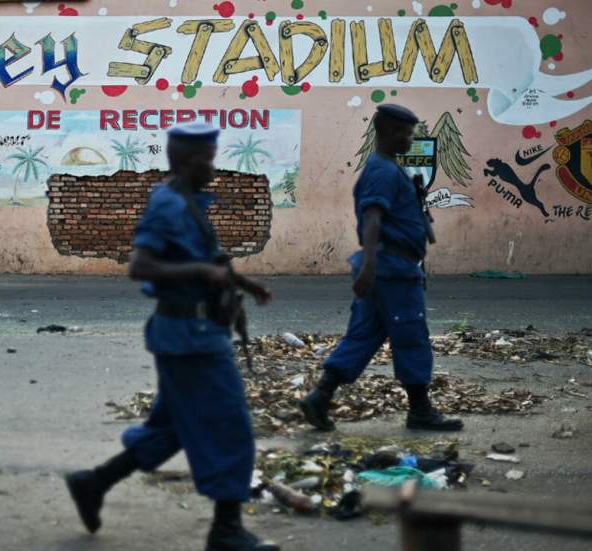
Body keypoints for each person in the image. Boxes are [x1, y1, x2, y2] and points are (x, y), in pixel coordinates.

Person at [65, 122, 279, 551]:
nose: (214, 169)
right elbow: (140, 266)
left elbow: (207, 258)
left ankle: (94, 483)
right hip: (190, 337)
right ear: (184, 159)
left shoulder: (188, 201)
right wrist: (204, 273)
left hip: (192, 334)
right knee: (229, 424)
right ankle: (226, 531)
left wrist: (242, 281)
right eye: (207, 159)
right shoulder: (168, 204)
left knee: (175, 427)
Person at [299, 104, 463, 433]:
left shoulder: (388, 167)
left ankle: (320, 396)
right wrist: (370, 266)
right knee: (412, 334)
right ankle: (420, 411)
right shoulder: (383, 171)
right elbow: (373, 217)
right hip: (391, 269)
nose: (409, 139)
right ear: (387, 132)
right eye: (405, 132)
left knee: (364, 334)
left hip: (388, 267)